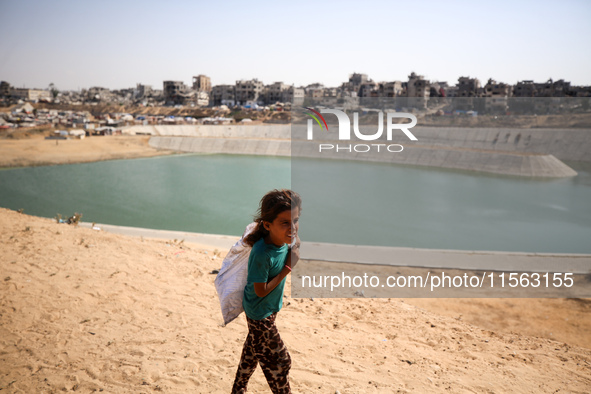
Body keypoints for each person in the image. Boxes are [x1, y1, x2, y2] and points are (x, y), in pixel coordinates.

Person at [231, 189, 302, 394]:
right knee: (281, 363)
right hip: (259, 314)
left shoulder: (285, 240)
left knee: (251, 355)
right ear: (267, 225)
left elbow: (296, 241)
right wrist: (288, 268)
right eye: (285, 223)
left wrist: (294, 245)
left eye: (295, 220)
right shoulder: (262, 253)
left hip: (270, 309)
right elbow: (260, 291)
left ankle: (238, 390)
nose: (292, 228)